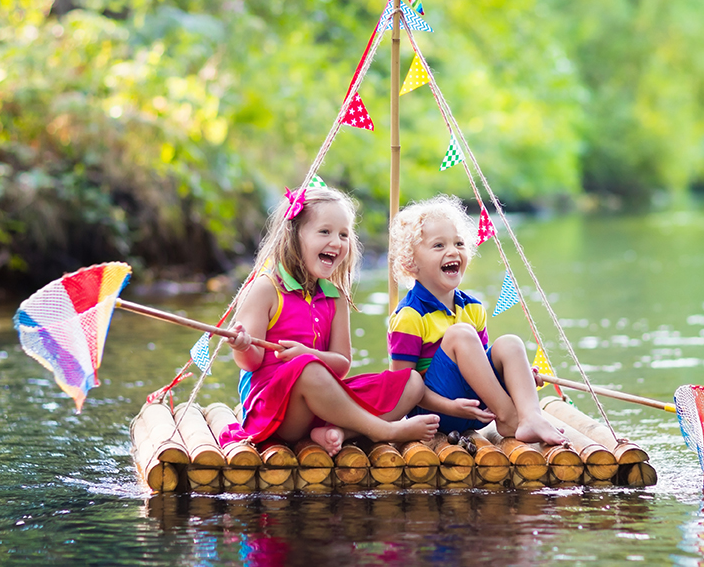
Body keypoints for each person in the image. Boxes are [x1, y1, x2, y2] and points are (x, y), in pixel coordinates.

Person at [220, 186, 439, 455]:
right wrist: (241, 346)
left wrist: (309, 354)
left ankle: (339, 432)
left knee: (411, 382)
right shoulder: (266, 289)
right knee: (307, 368)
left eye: (344, 234)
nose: (336, 242)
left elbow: (342, 365)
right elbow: (251, 362)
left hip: (323, 405)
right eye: (325, 232)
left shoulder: (334, 297)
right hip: (276, 413)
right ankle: (384, 430)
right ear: (294, 235)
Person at [386, 195, 566, 445]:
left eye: (459, 243)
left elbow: (482, 370)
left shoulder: (473, 307)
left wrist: (516, 377)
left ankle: (530, 414)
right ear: (411, 262)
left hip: (479, 409)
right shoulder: (409, 316)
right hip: (435, 414)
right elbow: (402, 388)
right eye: (439, 246)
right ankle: (512, 418)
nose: (453, 251)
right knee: (461, 334)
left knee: (510, 344)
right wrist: (450, 406)